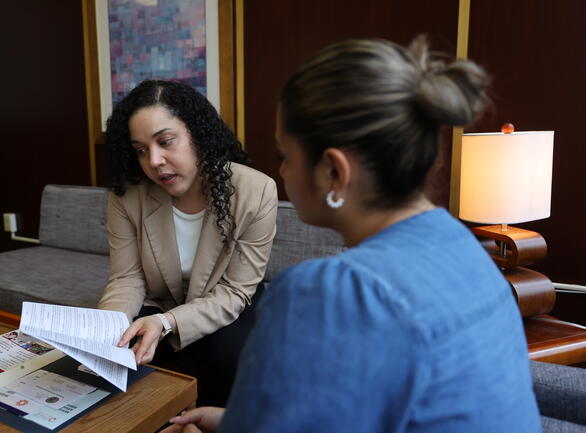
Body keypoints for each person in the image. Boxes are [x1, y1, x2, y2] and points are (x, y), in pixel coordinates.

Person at [162, 37, 542, 432]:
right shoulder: (467, 249)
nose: (282, 174)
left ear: (334, 172)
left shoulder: (335, 293)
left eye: (285, 156)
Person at [97, 79, 277, 405]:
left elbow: (235, 291)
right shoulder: (127, 195)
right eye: (140, 150)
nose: (153, 160)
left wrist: (167, 323)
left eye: (165, 141)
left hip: (227, 301)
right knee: (122, 360)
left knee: (230, 356)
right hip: (159, 300)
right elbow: (126, 278)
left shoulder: (256, 190)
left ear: (197, 133)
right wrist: (105, 331)